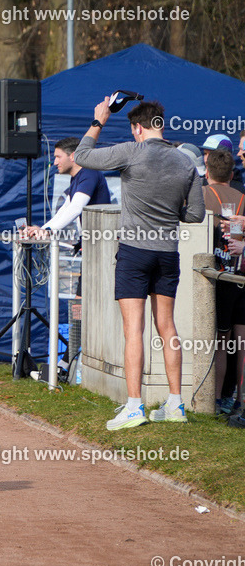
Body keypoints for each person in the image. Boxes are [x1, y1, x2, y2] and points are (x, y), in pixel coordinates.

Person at [73, 99, 205, 430]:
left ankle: (134, 407)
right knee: (168, 327)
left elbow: (82, 156)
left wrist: (99, 121)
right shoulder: (185, 162)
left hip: (134, 251)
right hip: (167, 253)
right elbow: (196, 215)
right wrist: (169, 212)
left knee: (134, 330)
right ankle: (175, 404)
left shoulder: (133, 151)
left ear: (137, 128)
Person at [202, 149, 245, 413]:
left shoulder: (203, 195)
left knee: (220, 344)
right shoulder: (242, 198)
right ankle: (239, 400)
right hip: (240, 275)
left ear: (207, 172)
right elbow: (238, 239)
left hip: (219, 277)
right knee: (241, 343)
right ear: (232, 174)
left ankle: (215, 400)